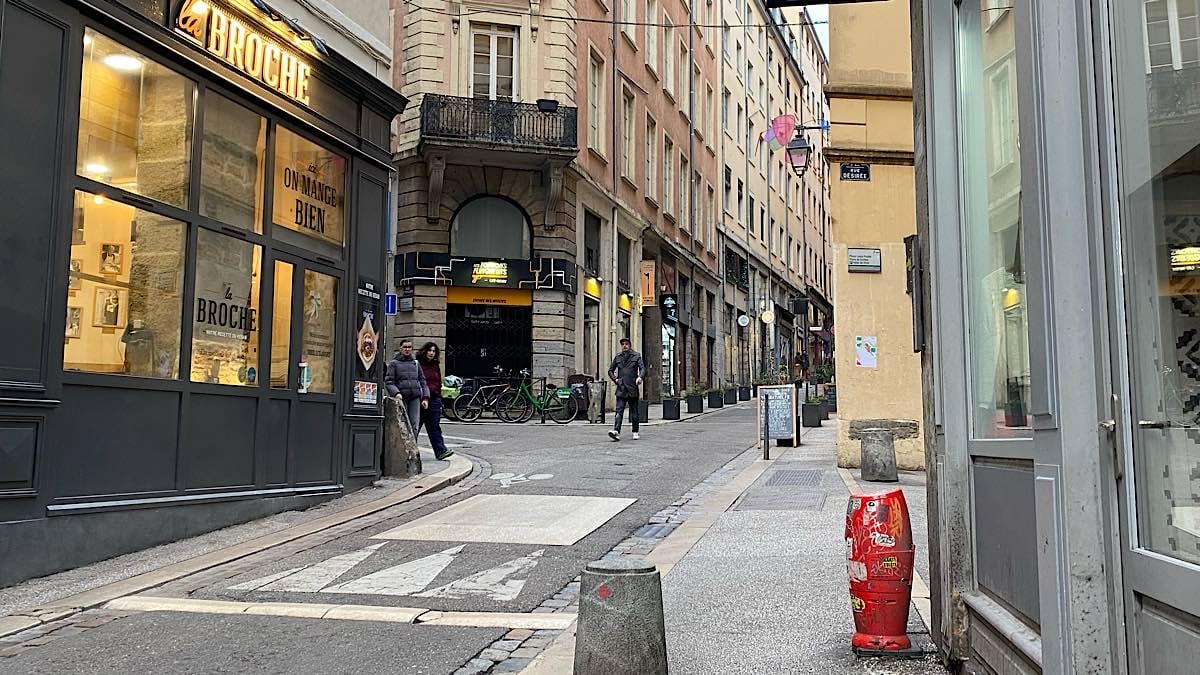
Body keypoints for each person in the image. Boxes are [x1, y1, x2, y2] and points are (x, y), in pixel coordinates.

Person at [417, 341, 453, 461]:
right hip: (421, 399)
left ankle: (441, 451)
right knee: (416, 425)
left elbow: (437, 381)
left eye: (433, 351)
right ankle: (409, 450)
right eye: (429, 350)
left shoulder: (435, 365)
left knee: (434, 426)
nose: (431, 353)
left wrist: (439, 395)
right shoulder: (418, 364)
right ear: (425, 351)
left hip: (434, 399)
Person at [384, 340, 428, 439]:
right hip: (401, 397)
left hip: (415, 397)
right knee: (402, 424)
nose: (407, 349)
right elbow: (389, 381)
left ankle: (413, 448)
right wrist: (396, 393)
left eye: (409, 347)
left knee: (414, 425)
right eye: (405, 347)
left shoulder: (416, 363)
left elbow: (422, 381)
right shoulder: (394, 364)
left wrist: (425, 397)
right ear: (400, 348)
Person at [607, 337, 644, 441]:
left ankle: (635, 431)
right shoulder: (618, 357)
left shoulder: (636, 356)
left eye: (626, 344)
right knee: (619, 411)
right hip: (621, 387)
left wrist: (640, 377)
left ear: (630, 345)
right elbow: (610, 370)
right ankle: (616, 431)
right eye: (623, 344)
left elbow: (642, 368)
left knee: (634, 412)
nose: (624, 346)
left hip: (632, 386)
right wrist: (616, 380)